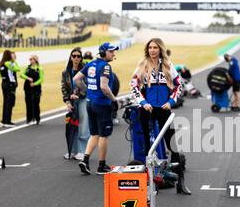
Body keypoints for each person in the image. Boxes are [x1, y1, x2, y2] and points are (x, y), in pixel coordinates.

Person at [130, 38, 191, 195]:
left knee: (173, 145)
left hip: (164, 108)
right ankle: (149, 183)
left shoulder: (168, 65)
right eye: (150, 47)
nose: (152, 50)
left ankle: (180, 182)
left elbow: (179, 85)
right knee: (147, 146)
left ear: (160, 49)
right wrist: (142, 102)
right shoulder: (142, 65)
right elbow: (133, 85)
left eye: (155, 47)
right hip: (147, 109)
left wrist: (171, 101)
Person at [74, 42, 119, 175]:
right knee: (104, 136)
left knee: (94, 134)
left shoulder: (91, 64)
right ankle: (101, 166)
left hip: (90, 102)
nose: (113, 54)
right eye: (111, 51)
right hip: (102, 104)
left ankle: (85, 160)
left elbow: (77, 79)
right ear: (104, 52)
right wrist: (114, 100)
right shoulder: (106, 66)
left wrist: (88, 91)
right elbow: (104, 87)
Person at [61, 47, 89, 160]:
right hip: (71, 101)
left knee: (83, 125)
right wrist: (67, 101)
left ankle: (82, 151)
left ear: (81, 58)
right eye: (74, 56)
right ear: (71, 58)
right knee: (72, 126)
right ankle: (72, 151)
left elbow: (87, 87)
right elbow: (63, 87)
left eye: (78, 56)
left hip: (83, 100)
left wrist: (78, 94)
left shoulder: (85, 71)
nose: (76, 58)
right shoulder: (66, 72)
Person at [20, 55, 44, 125]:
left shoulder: (40, 68)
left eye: (31, 59)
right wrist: (28, 78)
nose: (30, 60)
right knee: (28, 103)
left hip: (36, 88)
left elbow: (41, 79)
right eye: (29, 59)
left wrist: (35, 84)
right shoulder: (27, 68)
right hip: (27, 88)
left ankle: (37, 118)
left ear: (35, 60)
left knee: (36, 103)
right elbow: (21, 74)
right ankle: (29, 119)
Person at [0, 50, 20, 127]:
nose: (13, 56)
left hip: (4, 83)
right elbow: (17, 69)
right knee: (10, 102)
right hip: (10, 84)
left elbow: (0, 75)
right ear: (9, 55)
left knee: (5, 102)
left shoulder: (1, 63)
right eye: (12, 54)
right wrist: (14, 61)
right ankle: (7, 121)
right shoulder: (8, 63)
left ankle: (3, 120)